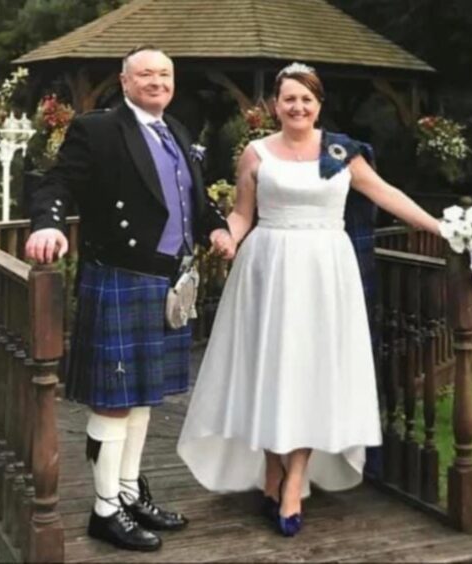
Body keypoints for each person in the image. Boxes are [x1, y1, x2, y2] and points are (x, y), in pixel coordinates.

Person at [177, 63, 442, 537]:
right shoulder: (256, 154)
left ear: (319, 104)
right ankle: (274, 468)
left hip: (325, 272)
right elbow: (242, 214)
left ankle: (294, 481)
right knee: (272, 371)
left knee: (311, 372)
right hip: (268, 269)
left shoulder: (341, 153)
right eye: (289, 99)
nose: (298, 107)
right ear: (274, 105)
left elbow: (386, 194)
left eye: (307, 99)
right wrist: (225, 237)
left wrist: (441, 227)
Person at [25, 45, 235, 552]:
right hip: (120, 274)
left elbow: (194, 200)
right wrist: (49, 225)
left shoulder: (178, 131)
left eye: (165, 74)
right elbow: (58, 182)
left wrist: (218, 228)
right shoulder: (98, 129)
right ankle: (104, 511)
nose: (156, 81)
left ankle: (127, 492)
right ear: (124, 81)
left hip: (167, 280)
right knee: (114, 402)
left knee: (142, 398)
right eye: (145, 74)